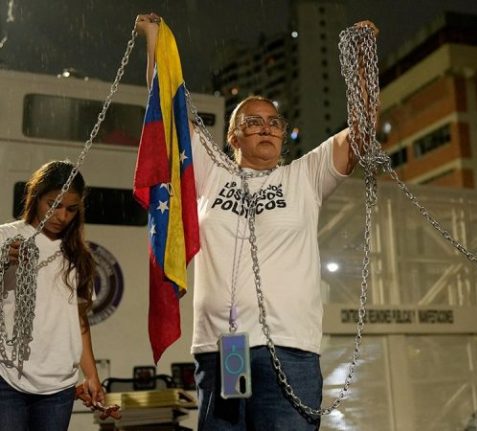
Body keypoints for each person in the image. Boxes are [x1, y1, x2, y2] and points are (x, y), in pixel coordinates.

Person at [136, 13, 376, 430]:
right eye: (252, 122)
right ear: (233, 137)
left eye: (273, 122)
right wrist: (154, 39)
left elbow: (361, 132)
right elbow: (167, 110)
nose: (266, 128)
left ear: (282, 134)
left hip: (290, 350)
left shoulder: (304, 175)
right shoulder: (210, 172)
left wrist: (363, 61)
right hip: (220, 349)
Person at [0, 160, 105, 431]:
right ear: (36, 197)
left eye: (71, 209)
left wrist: (91, 375)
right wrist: (3, 261)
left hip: (59, 385)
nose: (62, 216)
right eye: (54, 205)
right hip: (8, 378)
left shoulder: (78, 255)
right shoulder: (7, 237)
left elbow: (78, 322)